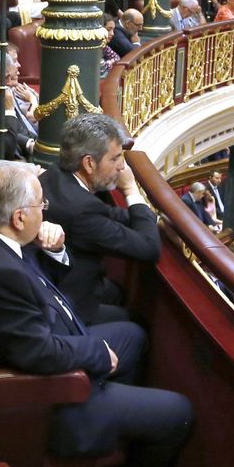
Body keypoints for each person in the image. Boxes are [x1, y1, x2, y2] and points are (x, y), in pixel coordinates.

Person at [0, 161, 193, 467]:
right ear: (18, 217)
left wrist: (55, 248)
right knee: (178, 412)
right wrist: (96, 354)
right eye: (40, 207)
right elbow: (37, 353)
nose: (45, 211)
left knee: (134, 336)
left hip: (60, 338)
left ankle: (109, 427)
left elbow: (40, 290)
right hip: (49, 395)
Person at [41, 114, 158, 324]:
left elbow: (109, 214)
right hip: (68, 304)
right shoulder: (83, 211)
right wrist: (131, 190)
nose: (122, 167)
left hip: (63, 280)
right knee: (136, 326)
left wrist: (148, 218)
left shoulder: (57, 173)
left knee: (117, 293)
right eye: (115, 158)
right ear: (89, 163)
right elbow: (149, 248)